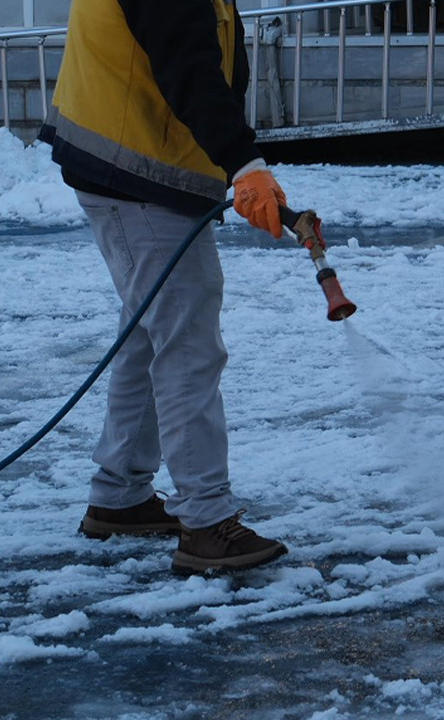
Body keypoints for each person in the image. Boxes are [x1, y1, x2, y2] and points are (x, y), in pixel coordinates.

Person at [38, 0, 290, 575]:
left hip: (138, 167)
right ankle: (206, 522)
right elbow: (189, 64)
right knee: (187, 341)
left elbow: (211, 61)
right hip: (136, 173)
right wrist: (244, 162)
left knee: (150, 334)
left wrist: (232, 158)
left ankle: (120, 494)